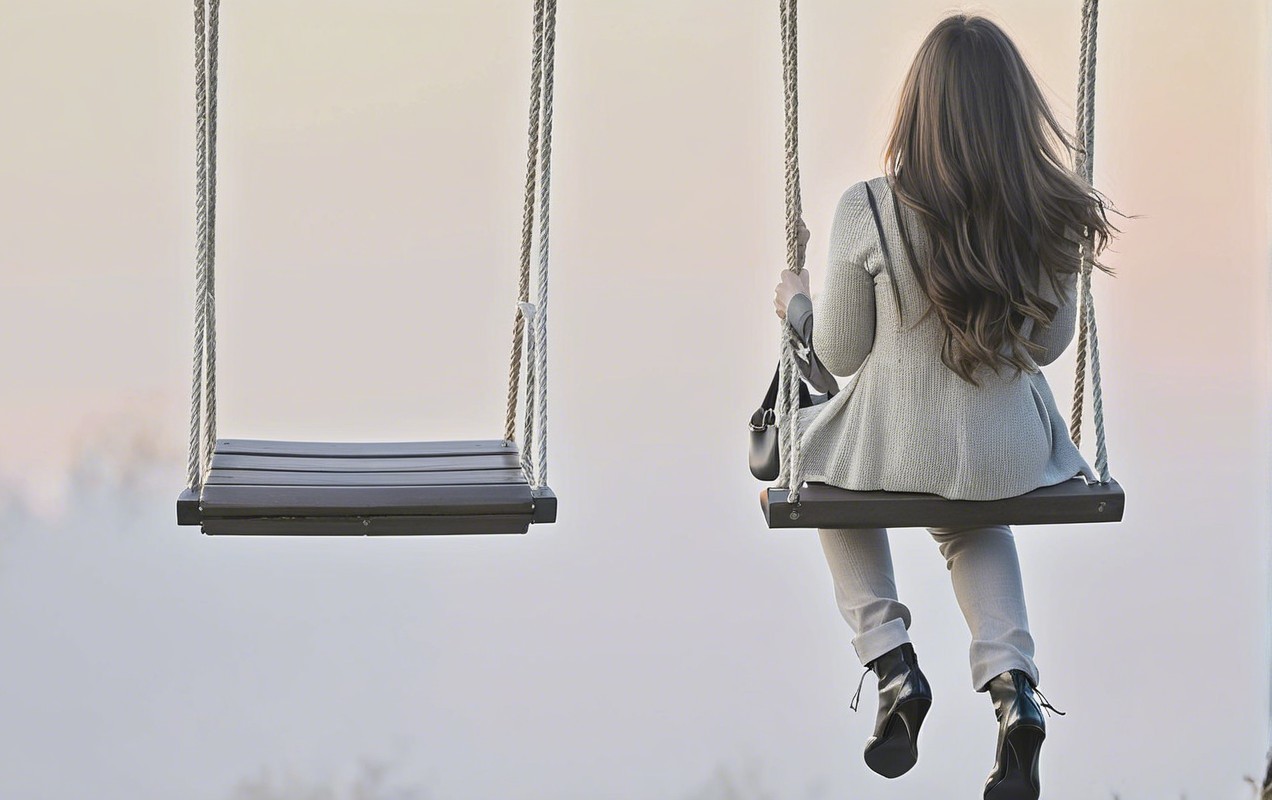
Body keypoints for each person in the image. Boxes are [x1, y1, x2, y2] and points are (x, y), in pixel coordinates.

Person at [771, 13, 1115, 800]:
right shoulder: (1048, 210)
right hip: (1009, 453)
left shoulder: (869, 208)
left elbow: (842, 354)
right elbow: (1052, 344)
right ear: (1014, 111)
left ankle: (892, 663)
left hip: (898, 443)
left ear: (918, 107)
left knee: (815, 475)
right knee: (970, 520)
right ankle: (1013, 687)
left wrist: (796, 308)